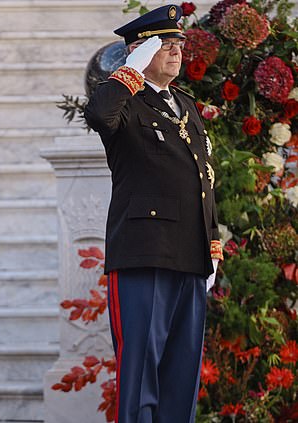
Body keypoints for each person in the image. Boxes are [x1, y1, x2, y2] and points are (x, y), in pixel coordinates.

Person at [84, 5, 223, 423]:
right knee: (141, 371)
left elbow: (204, 177)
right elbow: (98, 115)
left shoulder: (184, 103)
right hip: (144, 252)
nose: (176, 51)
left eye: (179, 43)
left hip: (191, 252)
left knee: (182, 377)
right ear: (139, 52)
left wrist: (212, 242)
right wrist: (129, 72)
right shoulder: (125, 99)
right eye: (165, 44)